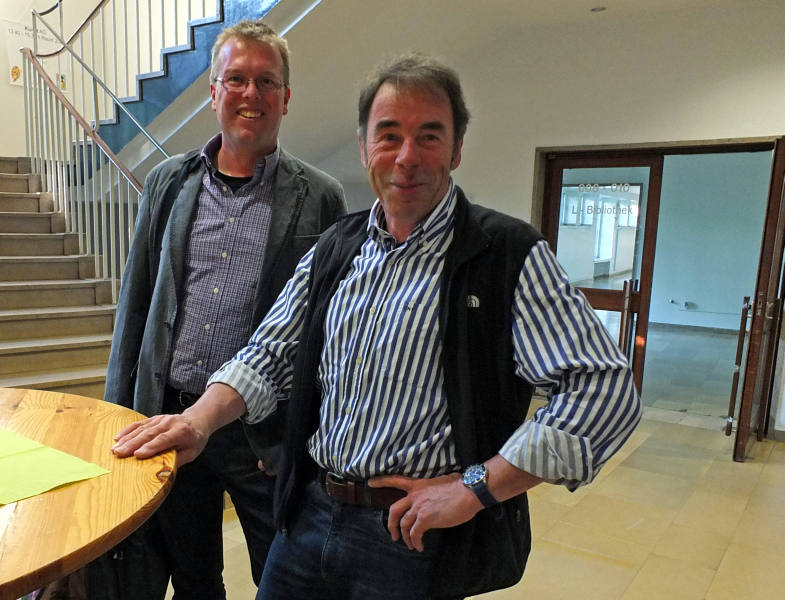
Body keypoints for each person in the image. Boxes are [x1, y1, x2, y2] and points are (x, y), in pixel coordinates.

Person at [113, 53, 641, 600]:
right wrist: (198, 421)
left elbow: (605, 391)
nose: (407, 157)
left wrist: (475, 487)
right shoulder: (337, 248)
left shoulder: (505, 254)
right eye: (389, 136)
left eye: (429, 136)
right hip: (310, 518)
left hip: (412, 539)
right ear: (365, 147)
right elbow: (269, 354)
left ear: (457, 149)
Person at [99, 19, 347, 600]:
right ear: (213, 92)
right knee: (192, 576)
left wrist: (312, 435)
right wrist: (118, 414)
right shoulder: (167, 183)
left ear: (286, 97)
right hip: (172, 418)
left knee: (285, 578)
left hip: (266, 436)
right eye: (235, 79)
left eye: (266, 81)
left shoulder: (321, 197)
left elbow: (328, 332)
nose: (250, 94)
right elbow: (136, 304)